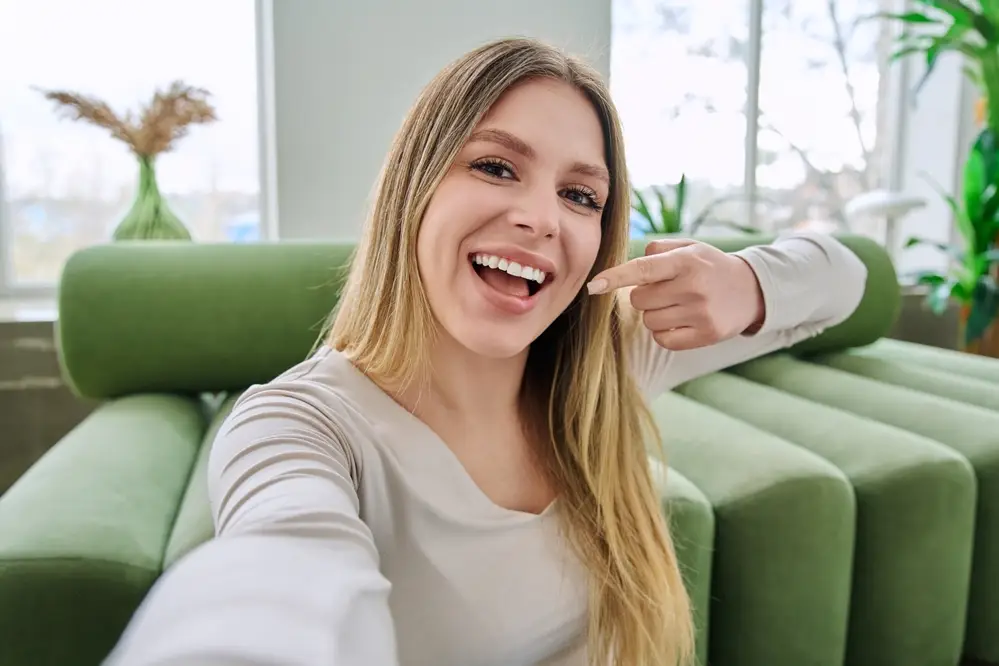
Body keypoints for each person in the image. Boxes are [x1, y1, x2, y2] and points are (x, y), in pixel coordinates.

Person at [104, 37, 867, 666]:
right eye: (495, 166)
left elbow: (845, 276)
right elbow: (283, 582)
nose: (541, 218)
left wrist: (744, 283)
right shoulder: (299, 426)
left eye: (580, 196)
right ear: (416, 187)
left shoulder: (606, 361)